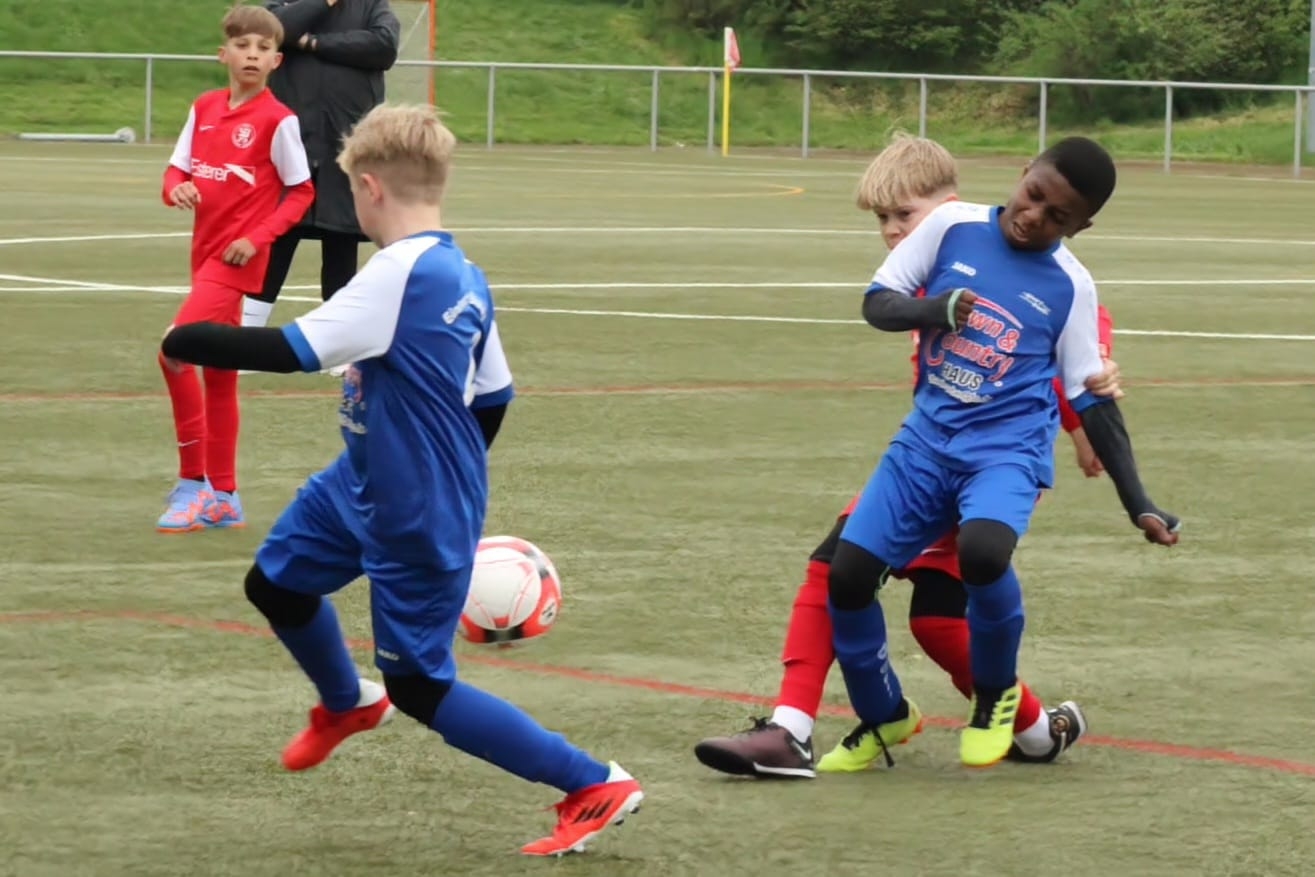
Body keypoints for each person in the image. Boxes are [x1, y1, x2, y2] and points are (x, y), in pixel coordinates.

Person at [160, 103, 643, 857]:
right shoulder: (463, 273)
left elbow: (290, 351)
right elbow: (494, 395)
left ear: (369, 187)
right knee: (277, 585)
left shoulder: (397, 274)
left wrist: (183, 337)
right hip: (361, 481)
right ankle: (347, 703)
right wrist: (438, 464)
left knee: (419, 686)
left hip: (414, 509)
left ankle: (592, 782)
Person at [694, 135, 1118, 778]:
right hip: (936, 456)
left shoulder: (1018, 268)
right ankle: (1036, 731)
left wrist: (1086, 425)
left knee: (833, 569)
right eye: (882, 220)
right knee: (938, 623)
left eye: (904, 216)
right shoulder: (933, 274)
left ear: (949, 208)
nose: (893, 231)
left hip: (981, 471)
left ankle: (792, 728)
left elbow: (1072, 358)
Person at [828, 136, 1180, 770]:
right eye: (1033, 195)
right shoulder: (950, 227)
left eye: (1058, 216)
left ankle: (995, 694)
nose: (1033, 216)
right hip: (925, 444)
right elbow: (878, 303)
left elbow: (1091, 397)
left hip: (1006, 452)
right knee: (847, 576)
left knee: (984, 553)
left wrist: (1140, 502)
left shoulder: (1073, 286)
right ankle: (884, 716)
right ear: (1022, 174)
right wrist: (937, 309)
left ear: (1081, 227)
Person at [156, 4, 315, 533]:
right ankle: (224, 495)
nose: (252, 55)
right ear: (222, 53)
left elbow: (301, 192)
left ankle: (191, 484)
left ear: (276, 61)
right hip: (203, 255)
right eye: (243, 45)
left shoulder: (278, 120)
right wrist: (176, 188)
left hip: (234, 262)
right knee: (219, 374)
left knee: (174, 351)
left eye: (263, 48)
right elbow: (176, 169)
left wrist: (256, 237)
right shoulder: (203, 107)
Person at [241, 0, 401, 330]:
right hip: (292, 144)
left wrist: (313, 43)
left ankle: (337, 341)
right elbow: (274, 29)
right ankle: (245, 336)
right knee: (276, 237)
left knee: (341, 241)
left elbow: (384, 46)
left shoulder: (370, 5)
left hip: (345, 146)